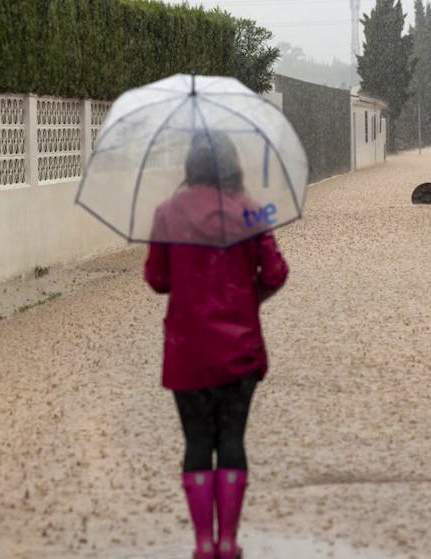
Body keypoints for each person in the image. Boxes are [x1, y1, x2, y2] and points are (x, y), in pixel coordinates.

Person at [144, 131, 289, 559]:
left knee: (196, 442)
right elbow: (275, 272)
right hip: (240, 351)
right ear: (232, 165)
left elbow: (157, 279)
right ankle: (228, 541)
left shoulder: (168, 213)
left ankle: (202, 544)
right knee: (231, 439)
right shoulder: (250, 211)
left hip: (187, 352)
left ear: (191, 166)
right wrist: (247, 299)